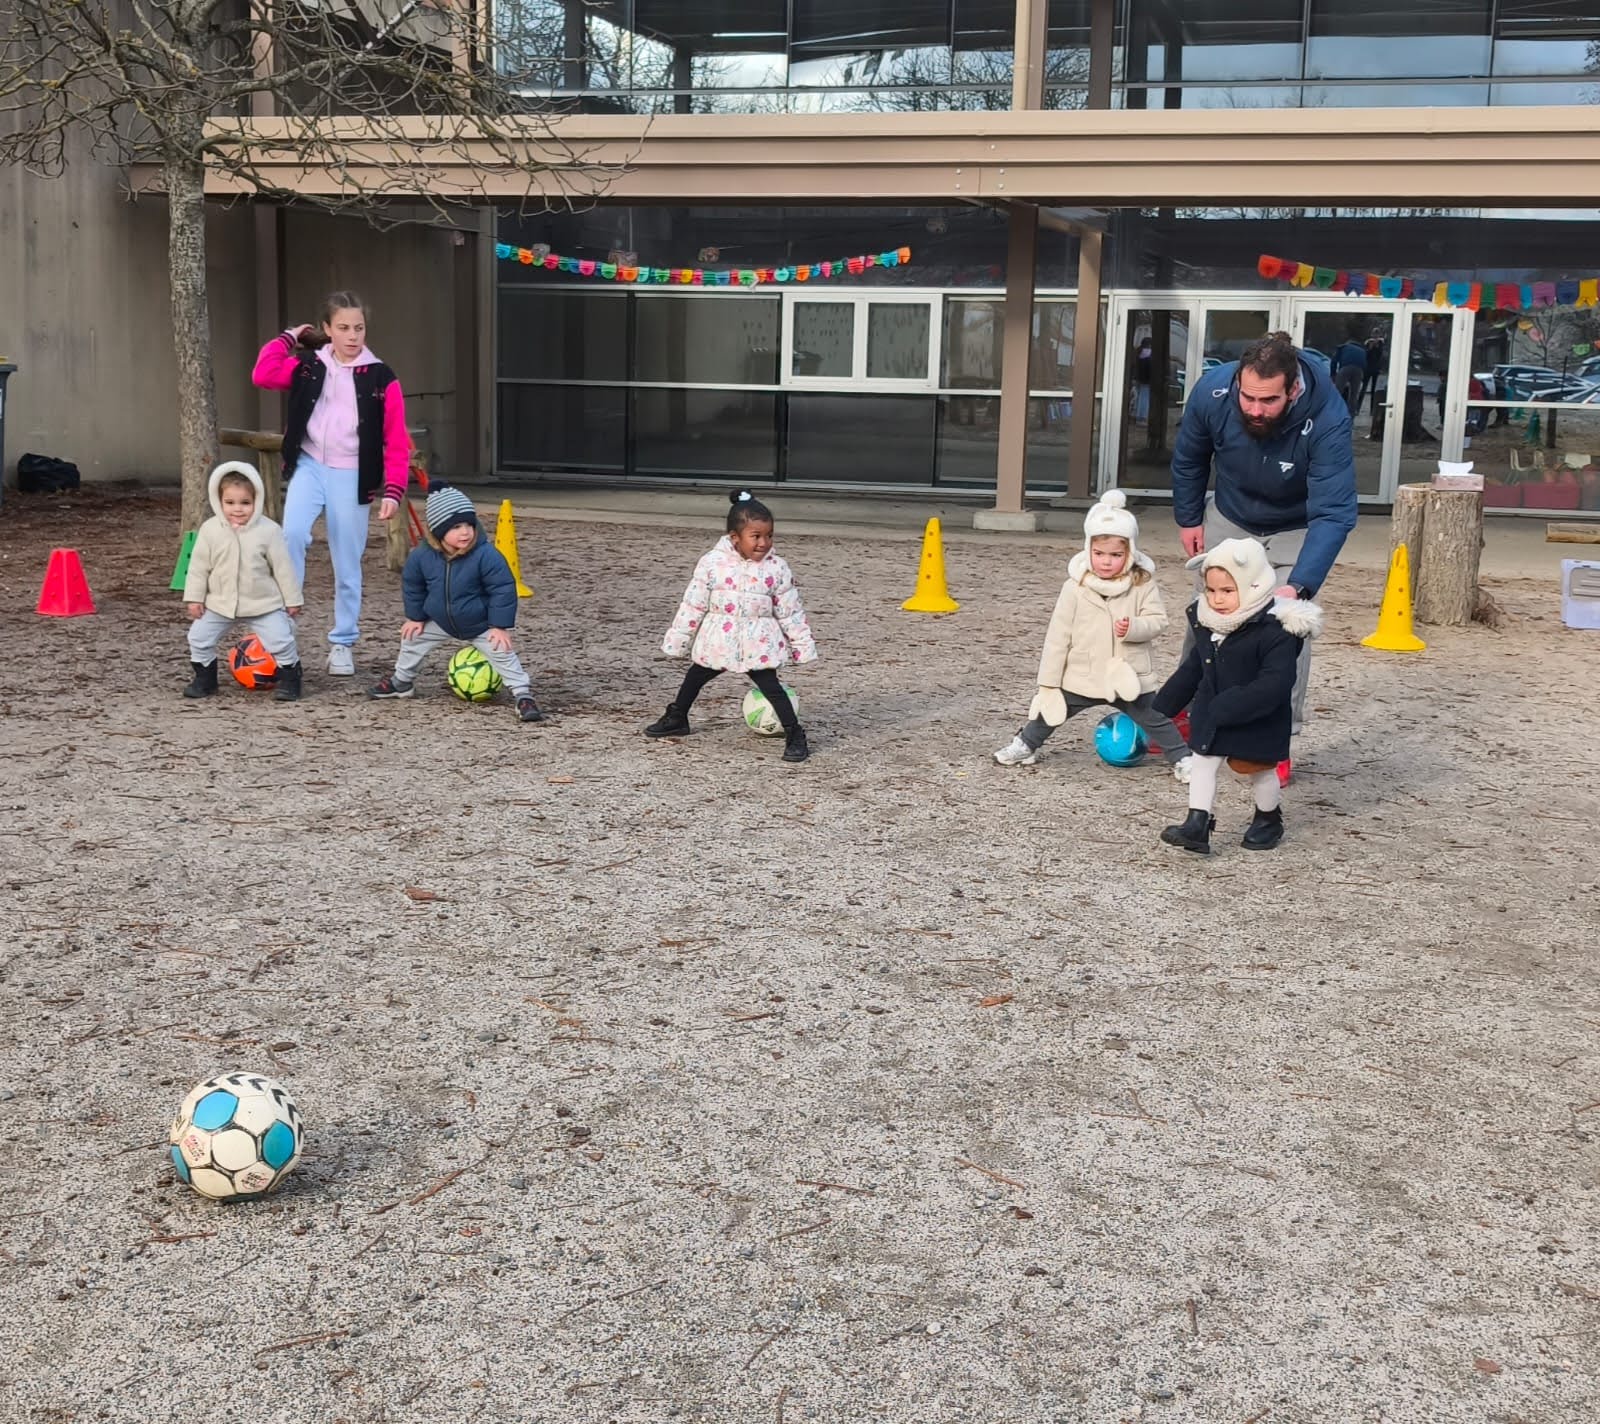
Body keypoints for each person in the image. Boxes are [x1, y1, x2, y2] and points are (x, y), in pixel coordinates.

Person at [1169, 329, 1356, 744]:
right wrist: (1189, 517)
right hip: (1231, 515)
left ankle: (1277, 737)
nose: (1255, 409)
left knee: (1287, 626)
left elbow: (1334, 512)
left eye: (1269, 400)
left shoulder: (1329, 417)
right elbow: (1189, 456)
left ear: (1293, 390)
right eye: (1248, 397)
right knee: (1209, 612)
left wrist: (1300, 585)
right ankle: (1189, 715)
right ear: (1238, 381)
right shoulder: (1212, 393)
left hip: (1295, 524)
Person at [252, 291, 410, 676]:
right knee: (290, 535)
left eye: (359, 328)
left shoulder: (381, 376)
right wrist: (289, 337)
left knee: (347, 560)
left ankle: (342, 642)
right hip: (309, 465)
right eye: (343, 328)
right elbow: (263, 374)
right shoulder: (308, 366)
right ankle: (282, 629)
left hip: (352, 474)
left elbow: (396, 439)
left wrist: (394, 489)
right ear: (327, 329)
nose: (352, 336)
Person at [994, 490, 1191, 780]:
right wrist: (1049, 681)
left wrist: (1134, 627)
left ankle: (1182, 759)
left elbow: (1158, 621)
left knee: (1156, 718)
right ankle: (1025, 744)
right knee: (1051, 711)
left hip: (1128, 675)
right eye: (1099, 554)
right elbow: (1058, 636)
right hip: (1083, 672)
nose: (1106, 562)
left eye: (1116, 555)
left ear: (1130, 553)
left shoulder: (1142, 584)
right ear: (1088, 550)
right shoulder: (1074, 587)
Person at [1152, 538, 1323, 856]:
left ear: (1254, 585)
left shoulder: (1276, 630)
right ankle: (1197, 822)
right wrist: (1168, 701)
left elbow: (1276, 682)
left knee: (1258, 769)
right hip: (1213, 710)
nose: (1217, 599)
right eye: (1211, 590)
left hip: (1258, 716)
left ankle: (1268, 818)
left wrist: (1234, 703)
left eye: (1228, 591)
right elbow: (1196, 664)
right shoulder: (1208, 621)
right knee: (1203, 762)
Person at [646, 490, 816, 763]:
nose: (764, 543)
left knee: (771, 686)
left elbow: (791, 612)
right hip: (718, 640)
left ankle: (794, 733)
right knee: (696, 676)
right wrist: (679, 639)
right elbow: (693, 604)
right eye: (756, 536)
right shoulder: (712, 563)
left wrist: (802, 646)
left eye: (769, 535)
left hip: (758, 642)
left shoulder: (777, 568)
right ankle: (677, 717)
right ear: (735, 538)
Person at [368, 486, 544, 723]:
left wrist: (499, 626)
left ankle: (523, 695)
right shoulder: (421, 556)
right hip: (440, 620)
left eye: (469, 524)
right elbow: (413, 585)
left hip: (480, 622)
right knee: (412, 638)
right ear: (438, 531)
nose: (465, 532)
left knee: (502, 651)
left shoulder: (486, 554)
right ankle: (401, 682)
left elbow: (502, 588)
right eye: (456, 527)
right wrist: (416, 617)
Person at [182, 462, 303, 702]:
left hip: (262, 604)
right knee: (198, 637)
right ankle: (205, 680)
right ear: (218, 501)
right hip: (220, 603)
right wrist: (195, 598)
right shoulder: (210, 530)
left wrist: (292, 600)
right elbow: (198, 567)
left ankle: (291, 679)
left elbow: (283, 568)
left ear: (257, 500)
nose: (237, 509)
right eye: (230, 502)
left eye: (245, 503)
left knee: (280, 640)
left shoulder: (269, 531)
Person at [1332, 335, 1368, 415]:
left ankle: (1334, 412)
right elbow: (1365, 364)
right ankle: (1351, 415)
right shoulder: (1362, 350)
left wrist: (1333, 375)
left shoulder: (1343, 347)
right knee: (1354, 395)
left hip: (1346, 368)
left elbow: (1334, 361)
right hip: (1359, 370)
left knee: (1337, 392)